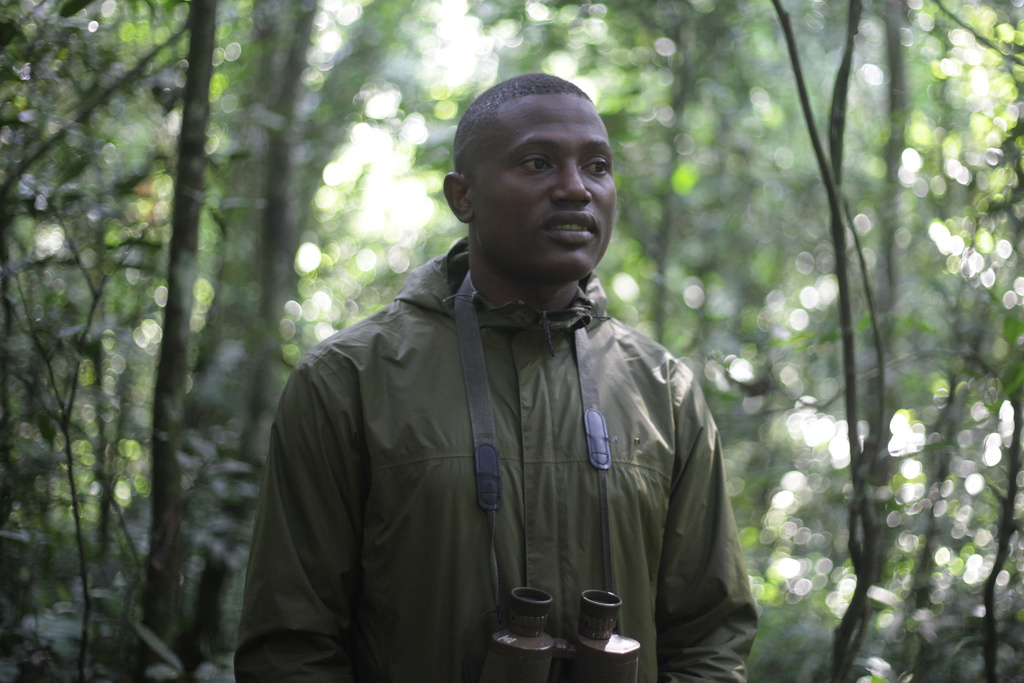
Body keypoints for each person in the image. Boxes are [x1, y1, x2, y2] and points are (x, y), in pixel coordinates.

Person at [235, 73, 757, 682]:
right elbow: (290, 644)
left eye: (597, 167)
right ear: (464, 197)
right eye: (538, 163)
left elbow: (711, 634)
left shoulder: (663, 391)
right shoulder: (349, 380)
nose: (576, 188)